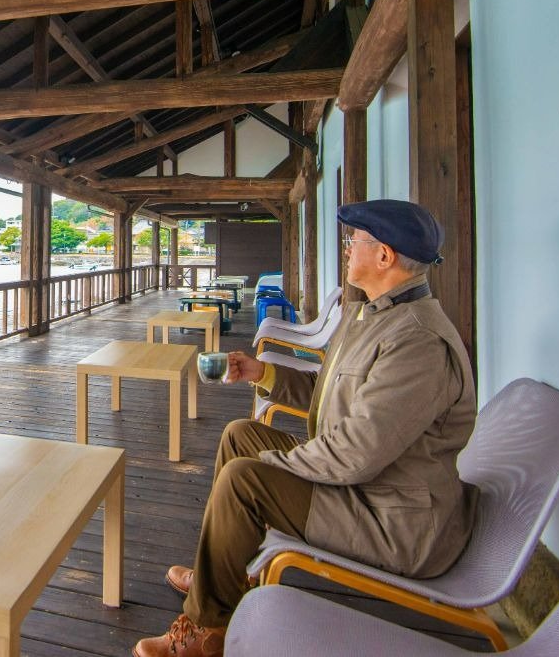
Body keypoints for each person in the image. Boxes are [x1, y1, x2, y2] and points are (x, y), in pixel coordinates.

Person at [132, 199, 479, 657]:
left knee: (245, 479)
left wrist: (275, 467)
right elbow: (327, 389)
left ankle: (203, 630)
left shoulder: (417, 341)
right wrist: (262, 374)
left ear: (385, 256)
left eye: (354, 241)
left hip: (395, 519)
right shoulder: (375, 315)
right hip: (366, 489)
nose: (348, 249)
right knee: (242, 435)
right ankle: (222, 572)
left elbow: (356, 452)